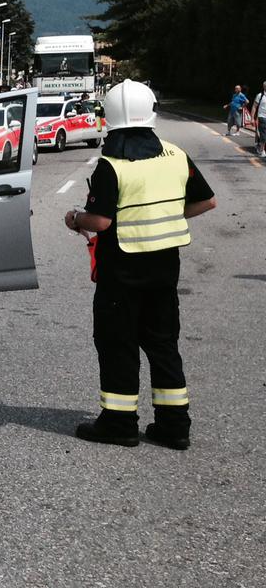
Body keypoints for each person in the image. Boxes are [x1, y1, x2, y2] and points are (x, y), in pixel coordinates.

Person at [64, 80, 216, 449]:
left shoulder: (112, 164)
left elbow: (99, 222)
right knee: (163, 344)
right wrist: (166, 214)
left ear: (109, 118)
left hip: (122, 270)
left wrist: (74, 217)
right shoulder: (175, 155)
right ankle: (174, 425)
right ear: (151, 113)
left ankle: (119, 423)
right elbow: (206, 202)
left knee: (118, 344)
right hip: (165, 268)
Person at [254, 82, 266, 158]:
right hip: (262, 117)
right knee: (264, 134)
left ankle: (259, 146)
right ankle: (262, 150)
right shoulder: (260, 95)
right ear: (264, 87)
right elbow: (254, 106)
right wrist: (252, 118)